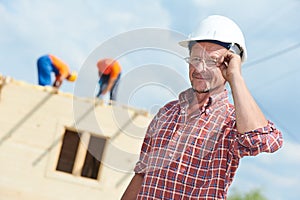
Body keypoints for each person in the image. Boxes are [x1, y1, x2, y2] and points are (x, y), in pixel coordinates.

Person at [121, 15, 283, 200]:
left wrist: (236, 77)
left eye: (213, 61)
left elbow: (264, 140)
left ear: (230, 66)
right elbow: (142, 174)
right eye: (196, 58)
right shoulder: (166, 113)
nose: (200, 68)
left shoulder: (231, 123)